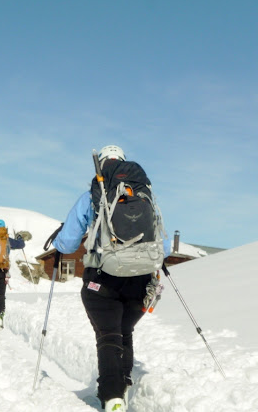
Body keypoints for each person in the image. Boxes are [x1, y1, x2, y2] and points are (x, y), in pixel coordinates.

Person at [52, 145, 171, 412]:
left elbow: (68, 242)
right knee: (125, 332)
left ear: (102, 165)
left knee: (108, 335)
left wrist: (58, 241)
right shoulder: (145, 194)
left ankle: (112, 395)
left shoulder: (93, 195)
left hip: (102, 279)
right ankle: (124, 382)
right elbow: (164, 248)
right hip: (140, 280)